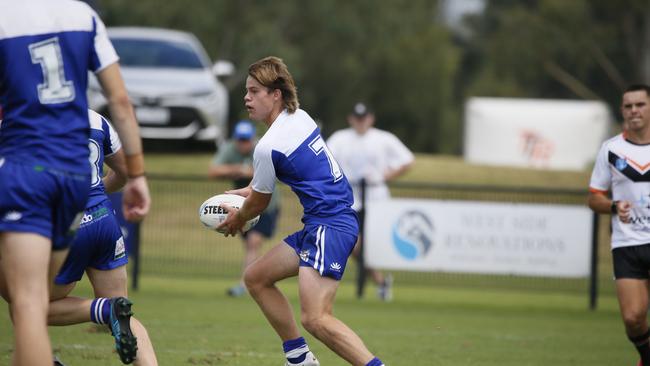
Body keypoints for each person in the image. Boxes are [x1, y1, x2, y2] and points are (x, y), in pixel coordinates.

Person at [0, 1, 150, 365]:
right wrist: (139, 175)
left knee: (28, 304)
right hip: (74, 179)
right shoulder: (83, 16)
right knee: (36, 302)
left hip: (28, 169)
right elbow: (121, 101)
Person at [218, 56, 385, 366]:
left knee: (316, 318)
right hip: (324, 224)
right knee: (256, 277)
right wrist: (245, 195)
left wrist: (237, 219)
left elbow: (259, 203)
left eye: (254, 91)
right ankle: (298, 358)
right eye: (246, 91)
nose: (246, 97)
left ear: (276, 94)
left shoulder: (268, 146)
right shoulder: (301, 118)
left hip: (329, 226)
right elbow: (263, 186)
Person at [46, 110, 158, 365]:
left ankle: (102, 311)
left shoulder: (21, 120)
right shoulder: (95, 118)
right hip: (103, 219)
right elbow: (126, 172)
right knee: (123, 311)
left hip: (63, 225)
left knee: (27, 306)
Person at [588, 84, 650, 366]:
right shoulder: (611, 150)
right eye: (628, 106)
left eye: (640, 105)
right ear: (622, 110)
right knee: (633, 319)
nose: (634, 111)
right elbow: (594, 198)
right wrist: (614, 206)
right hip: (627, 244)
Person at [327, 102, 414, 301]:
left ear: (370, 118)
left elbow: (408, 159)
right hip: (349, 200)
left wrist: (385, 176)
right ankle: (380, 281)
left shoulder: (383, 139)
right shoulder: (340, 138)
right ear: (351, 119)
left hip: (377, 201)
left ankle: (378, 283)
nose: (360, 122)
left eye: (364, 118)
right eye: (357, 118)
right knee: (351, 243)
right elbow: (325, 159)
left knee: (368, 246)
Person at [208, 120, 281, 297]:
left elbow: (271, 171)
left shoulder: (261, 149)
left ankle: (245, 283)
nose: (243, 144)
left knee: (253, 242)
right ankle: (251, 280)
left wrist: (246, 172)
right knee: (250, 246)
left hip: (266, 206)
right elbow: (213, 170)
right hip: (242, 207)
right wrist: (240, 169)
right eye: (240, 140)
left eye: (246, 140)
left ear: (252, 139)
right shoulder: (230, 149)